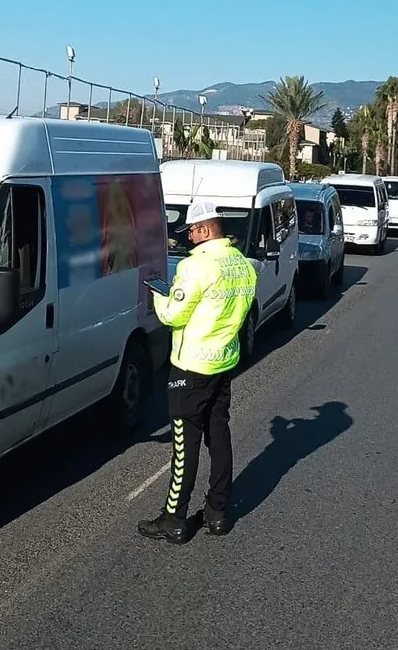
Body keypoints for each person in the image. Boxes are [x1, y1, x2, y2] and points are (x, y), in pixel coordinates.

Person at [137, 200, 257, 544]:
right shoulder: (242, 264)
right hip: (223, 362)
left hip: (191, 366)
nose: (188, 237)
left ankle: (174, 517)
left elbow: (174, 315)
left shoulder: (194, 267)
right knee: (219, 436)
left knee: (184, 443)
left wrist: (159, 295)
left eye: (190, 230)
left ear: (204, 229)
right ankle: (217, 512)